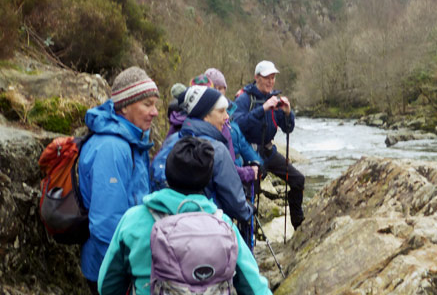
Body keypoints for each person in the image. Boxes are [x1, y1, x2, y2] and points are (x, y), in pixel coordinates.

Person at [98, 136, 272, 295]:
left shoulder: (133, 220)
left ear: (167, 172)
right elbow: (256, 288)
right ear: (207, 180)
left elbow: (106, 285)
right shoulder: (224, 225)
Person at [78, 66, 160, 294]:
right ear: (124, 106)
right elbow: (106, 223)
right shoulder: (112, 148)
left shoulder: (133, 141)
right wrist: (125, 273)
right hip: (110, 270)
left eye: (155, 104)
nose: (154, 112)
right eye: (147, 104)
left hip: (126, 261)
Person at [155, 85, 253, 222]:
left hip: (166, 223)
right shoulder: (217, 150)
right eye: (221, 111)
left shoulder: (171, 140)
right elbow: (234, 201)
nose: (227, 117)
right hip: (207, 226)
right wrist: (248, 210)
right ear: (205, 115)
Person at [233, 60, 305, 230]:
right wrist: (262, 109)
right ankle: (248, 239)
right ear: (256, 78)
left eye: (273, 78)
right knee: (250, 198)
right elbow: (237, 125)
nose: (270, 81)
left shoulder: (274, 100)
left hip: (268, 152)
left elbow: (288, 129)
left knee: (297, 179)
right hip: (249, 154)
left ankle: (299, 224)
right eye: (266, 77)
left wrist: (288, 113)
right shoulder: (244, 99)